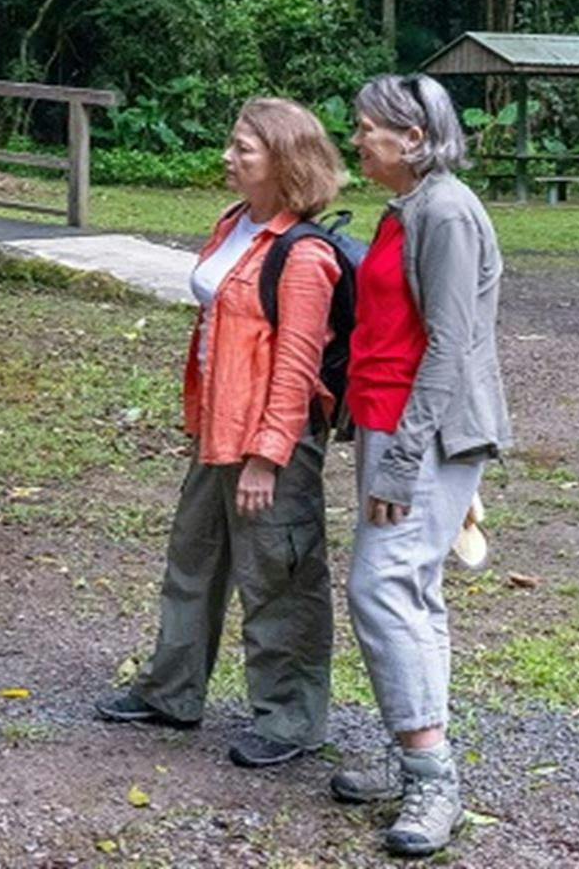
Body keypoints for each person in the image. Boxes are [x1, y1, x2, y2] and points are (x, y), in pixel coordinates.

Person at [95, 97, 346, 768]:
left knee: (279, 579)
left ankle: (291, 720)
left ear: (284, 161)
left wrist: (269, 457)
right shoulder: (233, 223)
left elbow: (296, 365)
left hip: (273, 443)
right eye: (232, 145)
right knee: (193, 561)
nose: (228, 158)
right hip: (217, 430)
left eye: (244, 149)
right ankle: (171, 690)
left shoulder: (303, 253)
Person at [331, 73, 509, 857]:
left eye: (368, 127)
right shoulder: (405, 207)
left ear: (413, 136)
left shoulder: (445, 211)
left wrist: (403, 463)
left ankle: (432, 779)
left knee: (380, 586)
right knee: (413, 589)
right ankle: (415, 758)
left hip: (426, 434)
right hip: (386, 421)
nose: (357, 139)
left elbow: (449, 345)